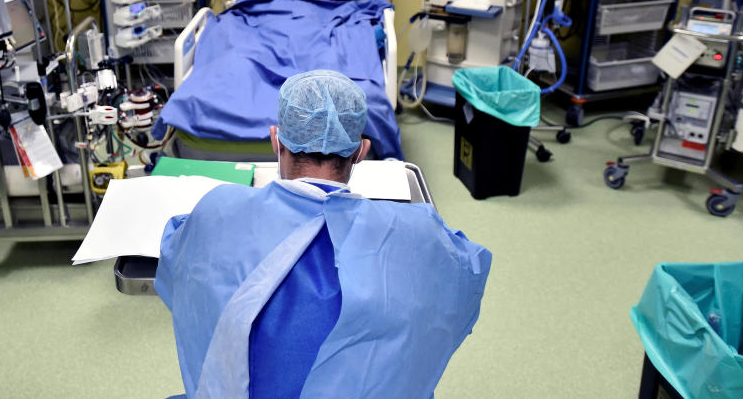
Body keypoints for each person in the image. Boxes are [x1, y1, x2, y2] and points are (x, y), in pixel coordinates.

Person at [154, 70, 491, 398]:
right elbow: (467, 271)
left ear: (276, 142)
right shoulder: (415, 231)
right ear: (361, 151)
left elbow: (176, 261)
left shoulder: (219, 210)